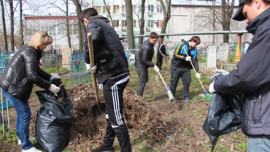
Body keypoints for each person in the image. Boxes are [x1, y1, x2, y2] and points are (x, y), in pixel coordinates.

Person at [209, 0, 270, 151]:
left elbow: (245, 77)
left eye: (245, 14)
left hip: (265, 126)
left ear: (257, 2)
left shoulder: (267, 31)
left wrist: (217, 85)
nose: (247, 20)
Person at [0, 31, 61, 152]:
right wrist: (49, 86)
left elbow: (36, 70)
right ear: (39, 42)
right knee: (25, 114)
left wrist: (50, 77)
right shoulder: (29, 53)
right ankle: (26, 147)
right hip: (13, 87)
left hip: (12, 86)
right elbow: (32, 76)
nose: (46, 47)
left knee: (22, 113)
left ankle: (21, 137)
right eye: (45, 44)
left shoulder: (31, 51)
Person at [82, 8, 131, 152]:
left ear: (86, 20)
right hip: (114, 72)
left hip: (114, 76)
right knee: (111, 114)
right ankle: (107, 146)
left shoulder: (93, 23)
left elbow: (93, 38)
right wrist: (95, 63)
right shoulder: (104, 23)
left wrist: (88, 60)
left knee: (116, 119)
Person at [169, 36, 201, 102]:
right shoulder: (181, 45)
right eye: (195, 44)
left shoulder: (194, 50)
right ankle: (171, 97)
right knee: (174, 82)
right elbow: (176, 55)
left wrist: (197, 71)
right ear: (192, 41)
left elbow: (195, 60)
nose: (196, 46)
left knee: (187, 81)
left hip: (186, 67)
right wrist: (184, 58)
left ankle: (185, 97)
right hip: (176, 66)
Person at [134, 32, 160, 97]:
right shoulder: (146, 47)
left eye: (156, 40)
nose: (155, 42)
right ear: (150, 38)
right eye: (154, 40)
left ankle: (137, 96)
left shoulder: (150, 43)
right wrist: (153, 65)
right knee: (142, 82)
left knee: (144, 80)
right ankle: (139, 98)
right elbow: (144, 60)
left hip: (142, 65)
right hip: (140, 66)